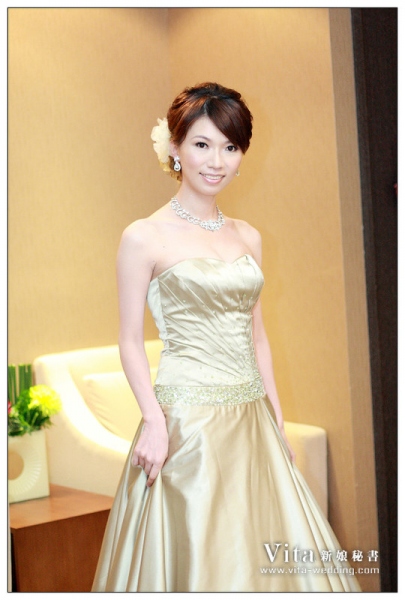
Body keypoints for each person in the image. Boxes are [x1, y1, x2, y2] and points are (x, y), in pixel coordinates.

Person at [92, 82, 361, 592]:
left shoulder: (248, 235)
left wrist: (276, 420)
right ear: (175, 148)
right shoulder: (144, 236)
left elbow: (257, 337)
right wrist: (153, 421)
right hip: (188, 423)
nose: (217, 161)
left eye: (230, 147)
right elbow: (129, 340)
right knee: (201, 557)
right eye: (202, 144)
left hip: (251, 419)